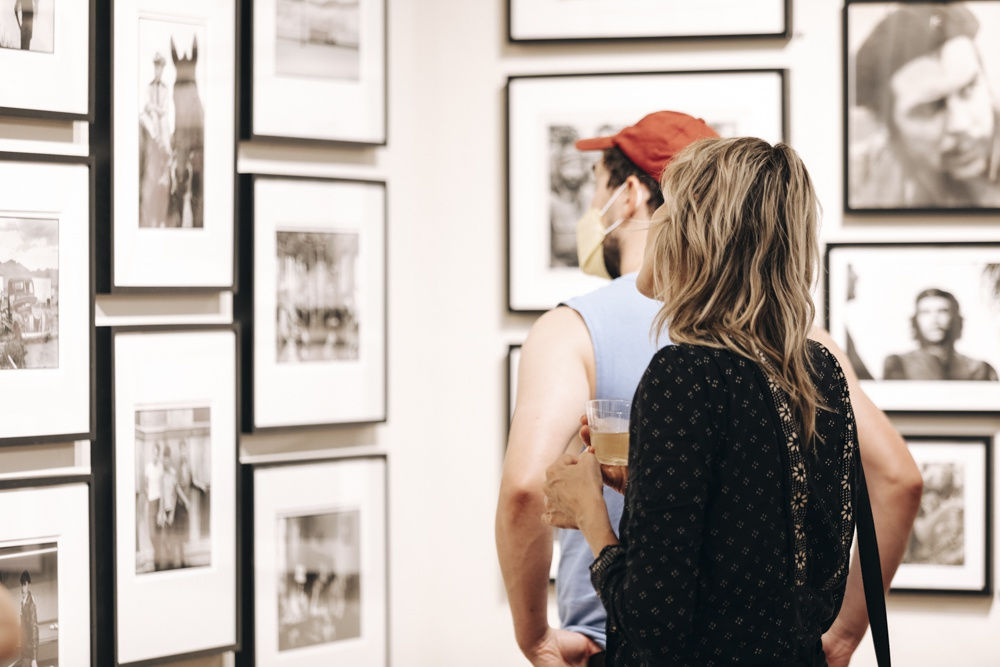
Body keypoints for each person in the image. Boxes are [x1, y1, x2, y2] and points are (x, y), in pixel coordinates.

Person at [497, 112, 923, 667]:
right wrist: (648, 488)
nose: (656, 223)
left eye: (669, 207)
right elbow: (775, 556)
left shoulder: (681, 374)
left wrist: (590, 512)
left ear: (698, 234)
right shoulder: (816, 364)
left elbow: (655, 625)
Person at [850, 3, 1000, 209]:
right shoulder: (863, 182)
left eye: (969, 89)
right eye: (930, 107)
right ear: (889, 127)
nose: (959, 124)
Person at [883, 287, 998, 381]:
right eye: (925, 312)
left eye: (943, 311)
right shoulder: (899, 364)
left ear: (954, 318)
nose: (934, 320)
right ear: (915, 320)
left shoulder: (979, 369)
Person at [144, 441, 165, 572]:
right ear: (151, 454)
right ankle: (157, 555)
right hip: (151, 502)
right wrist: (148, 499)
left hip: (158, 501)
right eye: (154, 453)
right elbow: (145, 485)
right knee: (151, 533)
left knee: (159, 532)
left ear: (159, 455)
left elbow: (162, 489)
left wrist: (161, 510)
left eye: (157, 454)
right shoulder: (148, 468)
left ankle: (158, 559)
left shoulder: (160, 467)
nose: (155, 456)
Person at [18, 571, 37, 667]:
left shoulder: (31, 603)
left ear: (29, 585)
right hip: (24, 650)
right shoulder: (23, 602)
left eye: (24, 584)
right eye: (22, 585)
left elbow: (34, 628)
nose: (22, 588)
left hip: (29, 652)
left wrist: (34, 658)